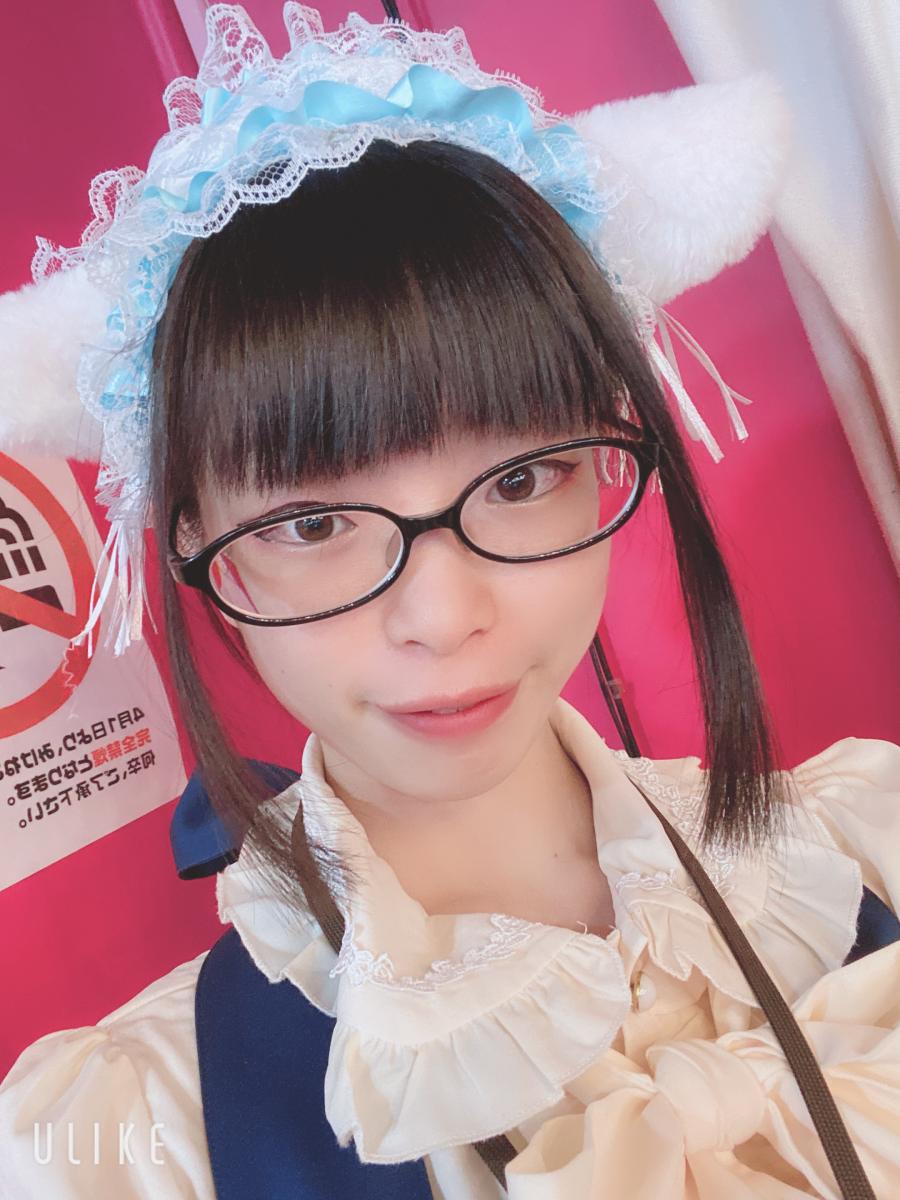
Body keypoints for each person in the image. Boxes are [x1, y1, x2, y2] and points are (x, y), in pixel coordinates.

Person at [1, 6, 898, 1198]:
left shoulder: (863, 840)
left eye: (520, 481)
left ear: (608, 455)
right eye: (314, 524)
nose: (443, 616)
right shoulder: (133, 1133)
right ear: (198, 543)